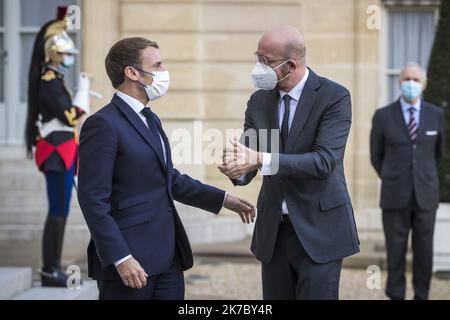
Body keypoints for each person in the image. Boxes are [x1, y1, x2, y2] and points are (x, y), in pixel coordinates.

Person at [77, 37, 256, 300]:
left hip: (168, 256)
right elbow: (92, 199)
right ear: (132, 72)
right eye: (158, 65)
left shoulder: (150, 118)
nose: (164, 72)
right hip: (131, 261)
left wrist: (223, 199)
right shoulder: (102, 124)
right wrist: (120, 257)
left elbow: (168, 177)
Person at [218, 25, 360, 300]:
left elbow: (324, 161)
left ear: (291, 65)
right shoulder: (259, 101)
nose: (258, 67)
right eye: (257, 57)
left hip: (320, 229)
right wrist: (235, 166)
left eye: (266, 61)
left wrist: (260, 159)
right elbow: (250, 157)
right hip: (274, 231)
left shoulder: (334, 96)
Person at [25, 7, 91, 287]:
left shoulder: (54, 80)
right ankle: (50, 268)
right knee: (57, 212)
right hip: (56, 153)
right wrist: (83, 97)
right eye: (63, 55)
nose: (66, 60)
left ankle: (53, 266)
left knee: (61, 211)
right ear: (53, 53)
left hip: (62, 151)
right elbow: (70, 116)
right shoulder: (48, 82)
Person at [370, 62, 445, 300]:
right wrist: (393, 176)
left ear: (424, 84)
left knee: (424, 251)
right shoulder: (383, 116)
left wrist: (423, 175)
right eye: (407, 79)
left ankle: (421, 295)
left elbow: (439, 154)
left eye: (416, 80)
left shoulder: (436, 114)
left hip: (426, 194)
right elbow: (376, 155)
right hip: (394, 195)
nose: (411, 84)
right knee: (395, 251)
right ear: (399, 82)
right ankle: (396, 294)